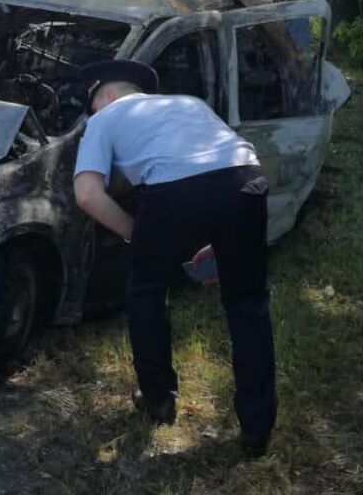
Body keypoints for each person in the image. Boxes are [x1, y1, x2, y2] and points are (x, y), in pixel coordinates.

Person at [72, 60, 276, 458]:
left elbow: (87, 195)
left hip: (171, 191)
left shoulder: (105, 117)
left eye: (94, 104)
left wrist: (138, 233)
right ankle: (257, 426)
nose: (95, 112)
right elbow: (216, 170)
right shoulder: (190, 103)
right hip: (245, 180)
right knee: (248, 305)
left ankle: (158, 398)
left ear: (107, 96)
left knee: (145, 290)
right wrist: (218, 242)